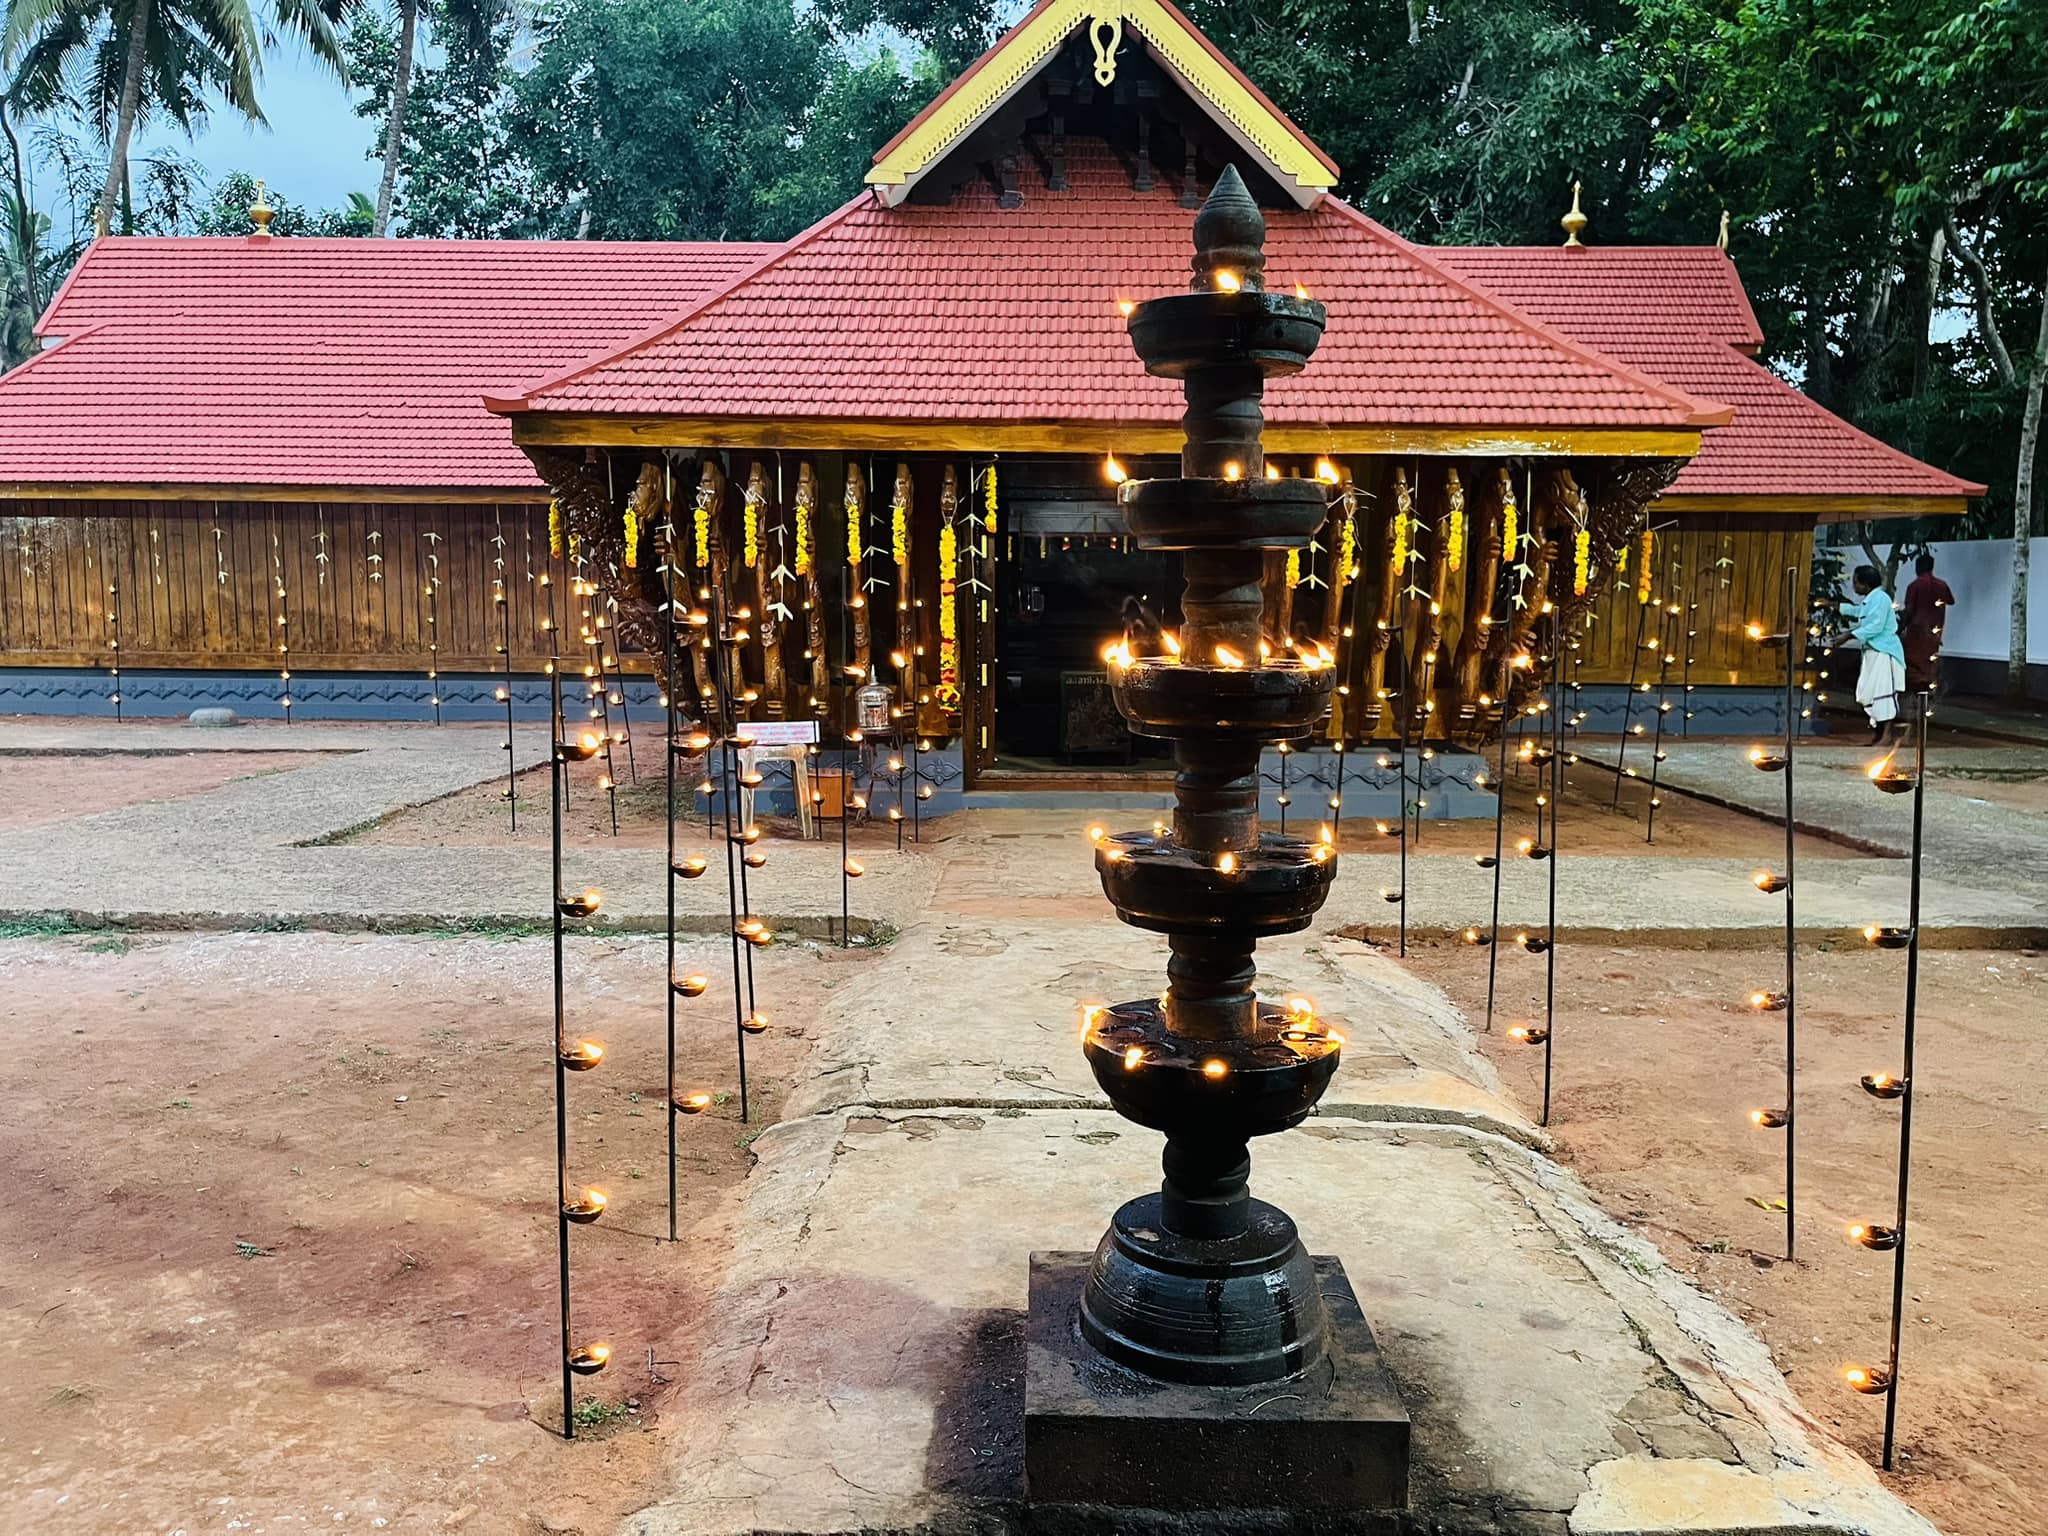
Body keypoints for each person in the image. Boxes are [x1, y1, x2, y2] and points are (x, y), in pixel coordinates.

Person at [1836, 565, 1905, 743]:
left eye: (1856, 582)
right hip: (1873, 653)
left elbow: (1875, 626)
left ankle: (1886, 736)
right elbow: (1860, 611)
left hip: (1884, 652)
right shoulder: (1872, 599)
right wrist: (1836, 606)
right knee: (1871, 693)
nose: (1854, 586)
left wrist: (1848, 635)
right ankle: (1878, 735)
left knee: (1883, 695)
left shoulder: (1881, 598)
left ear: (1866, 585)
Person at [1901, 551, 1956, 703]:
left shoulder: (1914, 585)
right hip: (1934, 629)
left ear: (1918, 568)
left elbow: (1909, 609)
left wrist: (1902, 625)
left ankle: (1917, 688)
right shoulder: (1941, 585)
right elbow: (1951, 601)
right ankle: (1929, 687)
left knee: (1913, 659)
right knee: (1930, 658)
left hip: (1917, 629)